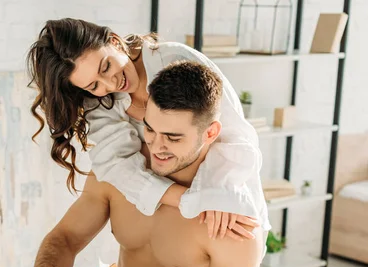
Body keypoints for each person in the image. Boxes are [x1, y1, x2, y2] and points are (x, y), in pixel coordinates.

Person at [17, 61, 265, 267]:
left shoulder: (229, 219)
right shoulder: (122, 173)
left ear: (210, 132)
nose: (156, 148)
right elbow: (66, 237)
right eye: (150, 129)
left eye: (173, 137)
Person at [26, 18, 270, 239]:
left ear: (114, 42)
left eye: (106, 66)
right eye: (93, 85)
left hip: (223, 202)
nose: (111, 83)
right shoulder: (97, 101)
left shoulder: (177, 60)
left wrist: (217, 195)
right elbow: (116, 164)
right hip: (174, 210)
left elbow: (235, 137)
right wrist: (189, 201)